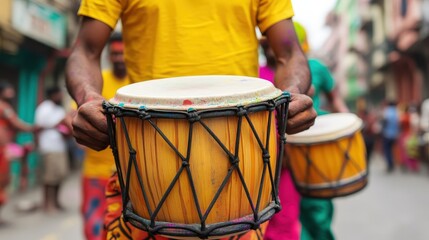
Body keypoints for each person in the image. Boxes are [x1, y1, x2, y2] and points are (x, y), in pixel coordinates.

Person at [66, 1, 317, 239]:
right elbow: (86, 50)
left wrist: (292, 92)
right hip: (146, 166)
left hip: (242, 171)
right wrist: (87, 98)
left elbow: (289, 52)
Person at [292, 22, 349, 240]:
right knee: (294, 209)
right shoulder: (269, 72)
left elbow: (336, 99)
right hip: (287, 148)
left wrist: (348, 123)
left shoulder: (316, 67)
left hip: (317, 144)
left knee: (318, 209)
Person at [81, 33, 130, 240]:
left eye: (122, 53)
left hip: (130, 177)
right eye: (114, 54)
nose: (118, 58)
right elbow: (77, 114)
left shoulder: (138, 84)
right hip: (96, 173)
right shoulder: (98, 81)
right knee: (94, 231)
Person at [260, 37, 301, 240]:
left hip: (286, 161)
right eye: (265, 45)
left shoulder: (294, 79)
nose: (270, 49)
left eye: (272, 44)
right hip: (257, 161)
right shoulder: (255, 76)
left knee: (285, 220)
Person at [0, 81, 34, 224]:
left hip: (4, 149)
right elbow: (16, 123)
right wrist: (33, 128)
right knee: (3, 181)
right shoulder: (3, 107)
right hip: (1, 151)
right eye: (9, 89)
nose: (12, 92)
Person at [35, 86, 71, 213]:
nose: (61, 96)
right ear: (53, 94)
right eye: (59, 94)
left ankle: (56, 202)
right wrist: (59, 123)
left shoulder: (59, 109)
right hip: (48, 146)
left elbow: (65, 126)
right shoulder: (44, 108)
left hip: (60, 147)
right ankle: (47, 204)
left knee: (60, 175)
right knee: (49, 177)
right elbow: (39, 126)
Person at [381, 101, 399, 173]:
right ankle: (393, 163)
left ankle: (390, 164)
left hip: (387, 134)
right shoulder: (397, 112)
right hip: (395, 134)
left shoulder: (387, 111)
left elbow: (384, 122)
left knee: (387, 150)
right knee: (392, 149)